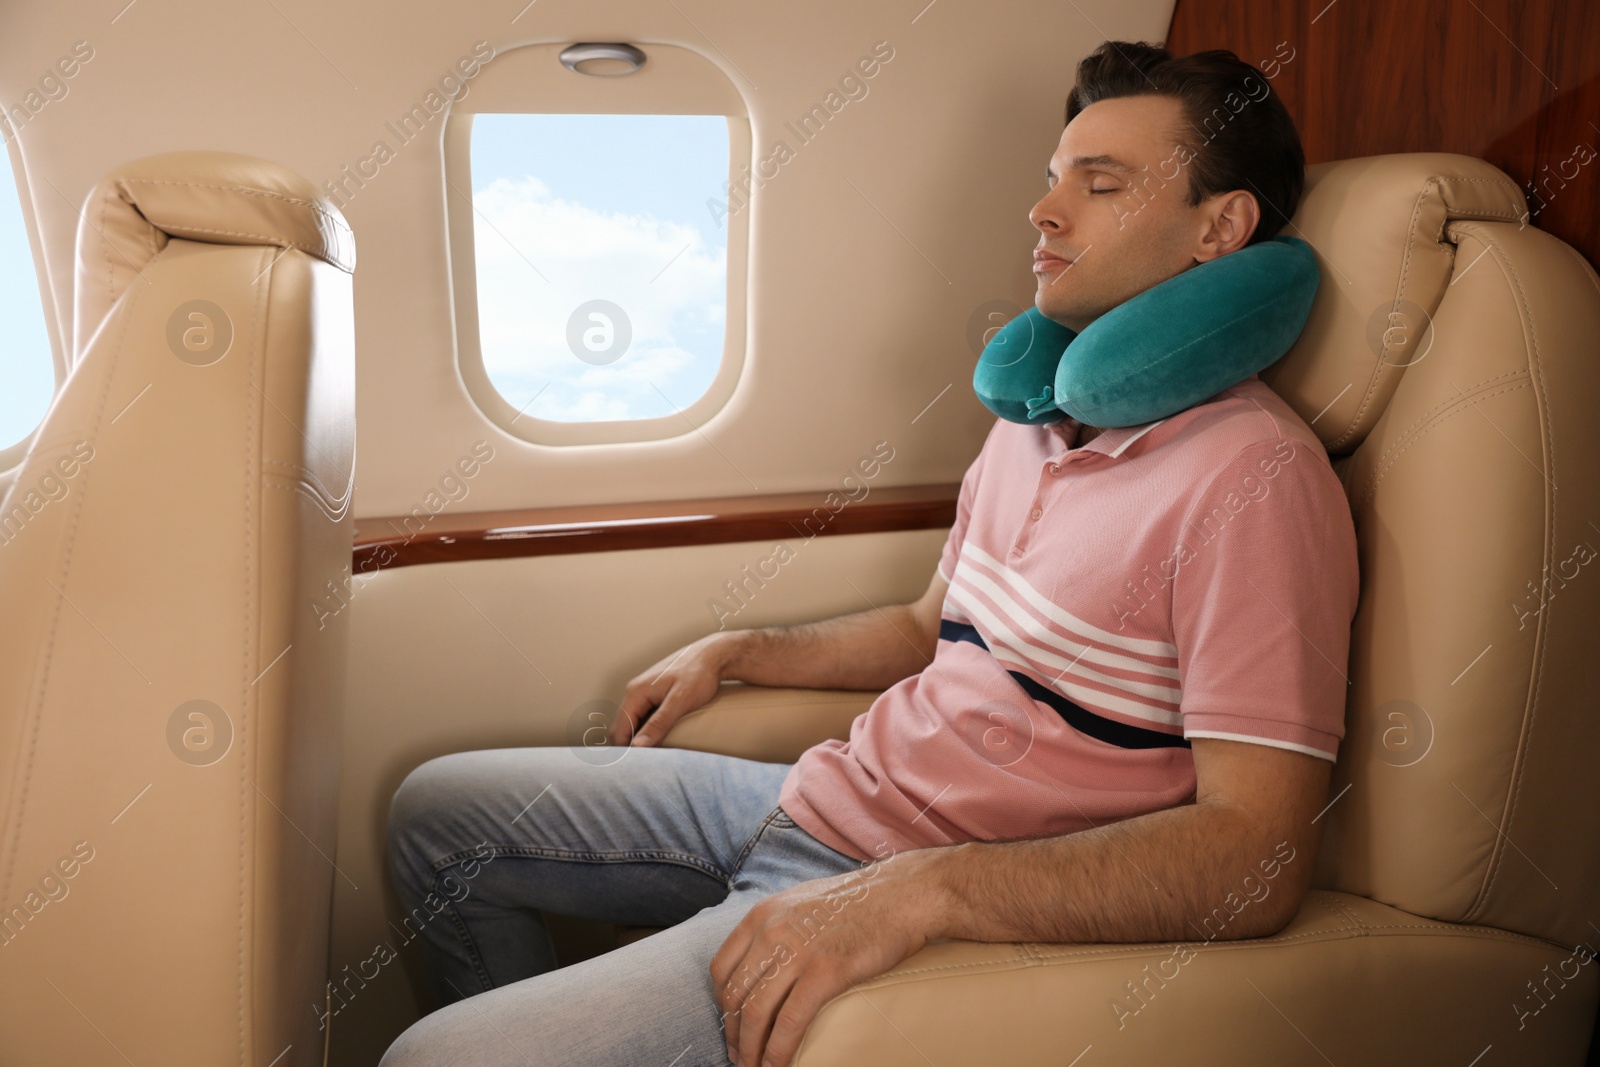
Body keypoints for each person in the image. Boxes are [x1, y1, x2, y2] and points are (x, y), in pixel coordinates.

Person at [379, 38, 1359, 1067]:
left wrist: (921, 889)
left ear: (1220, 227)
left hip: (915, 880)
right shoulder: (1035, 416)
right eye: (1051, 178)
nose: (1043, 211)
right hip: (817, 793)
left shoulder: (1254, 480)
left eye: (1099, 184)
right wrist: (739, 645)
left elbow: (1257, 850)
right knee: (435, 816)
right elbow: (919, 627)